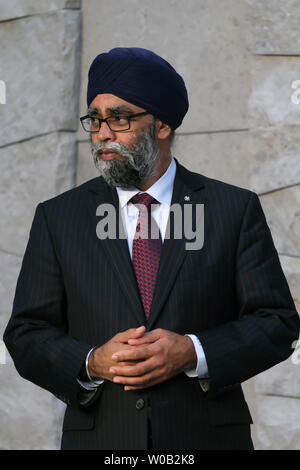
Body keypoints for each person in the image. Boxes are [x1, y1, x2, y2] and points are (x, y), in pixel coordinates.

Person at [4, 47, 299, 451]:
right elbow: (26, 333)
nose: (103, 133)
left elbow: (277, 322)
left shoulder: (233, 209)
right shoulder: (59, 218)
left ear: (162, 125)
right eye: (95, 119)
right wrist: (91, 361)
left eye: (119, 118)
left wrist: (192, 352)